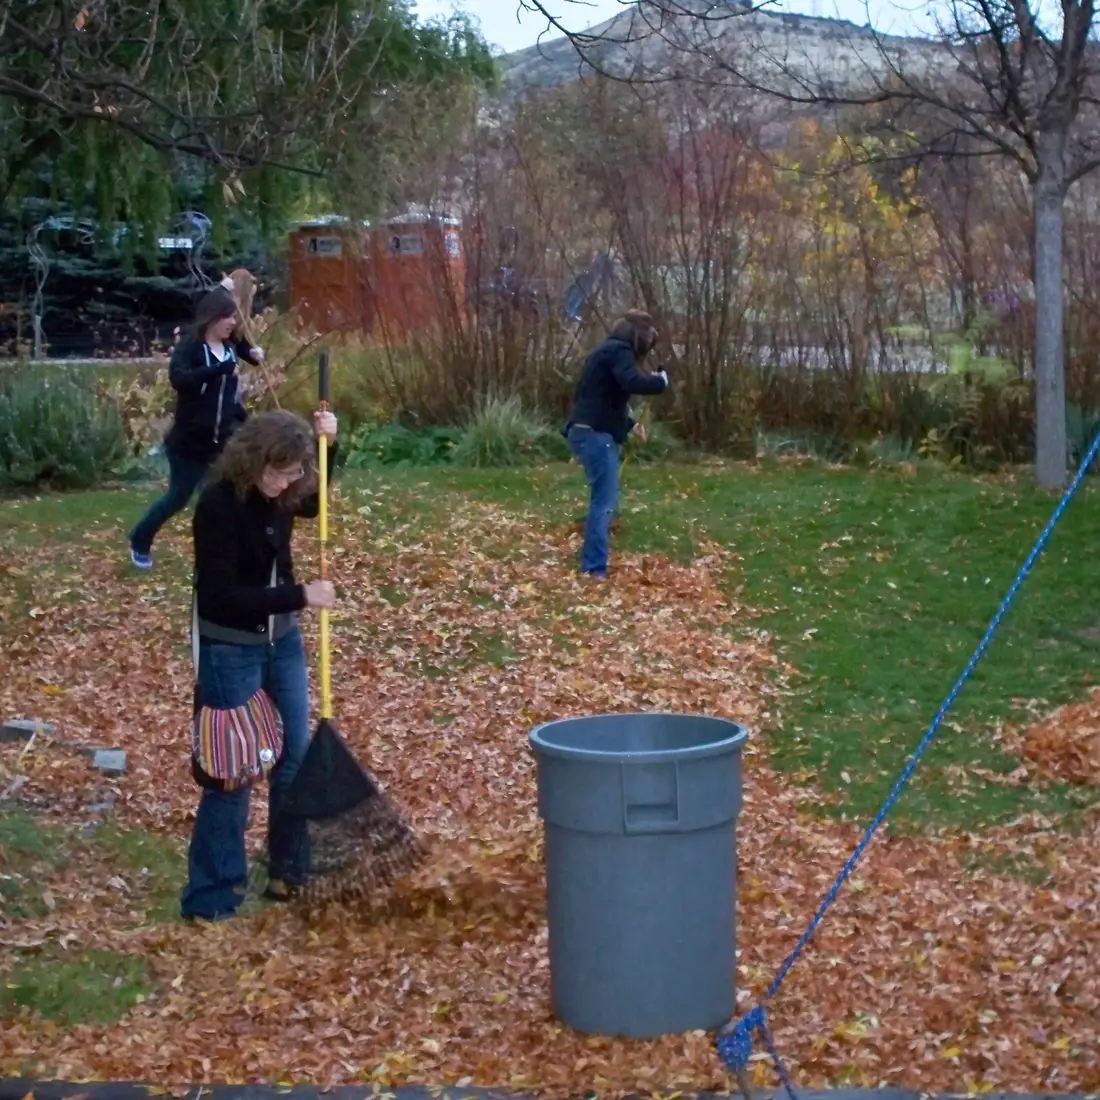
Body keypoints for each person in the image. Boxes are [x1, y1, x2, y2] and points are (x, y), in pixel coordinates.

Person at [181, 408, 339, 921]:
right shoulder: (219, 506)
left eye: (294, 472)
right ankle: (211, 896)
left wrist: (327, 447)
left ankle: (286, 870)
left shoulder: (286, 491)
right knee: (234, 770)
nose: (286, 483)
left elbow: (313, 504)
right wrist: (299, 595)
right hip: (232, 648)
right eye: (278, 472)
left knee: (293, 756)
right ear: (254, 461)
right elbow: (221, 598)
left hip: (283, 644)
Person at [128, 286, 266, 569]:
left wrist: (254, 354)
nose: (232, 322)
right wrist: (218, 371)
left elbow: (246, 353)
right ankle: (140, 539)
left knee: (229, 497)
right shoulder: (191, 347)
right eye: (227, 317)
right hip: (189, 444)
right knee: (178, 498)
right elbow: (180, 380)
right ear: (211, 318)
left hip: (223, 441)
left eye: (233, 317)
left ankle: (228, 552)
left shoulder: (230, 346)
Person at [562, 310, 670, 579]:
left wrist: (631, 425)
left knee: (602, 499)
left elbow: (605, 398)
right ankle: (593, 569)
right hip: (594, 436)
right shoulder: (619, 351)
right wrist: (660, 382)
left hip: (584, 431)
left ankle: (593, 557)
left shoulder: (606, 351)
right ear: (638, 339)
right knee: (603, 503)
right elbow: (632, 382)